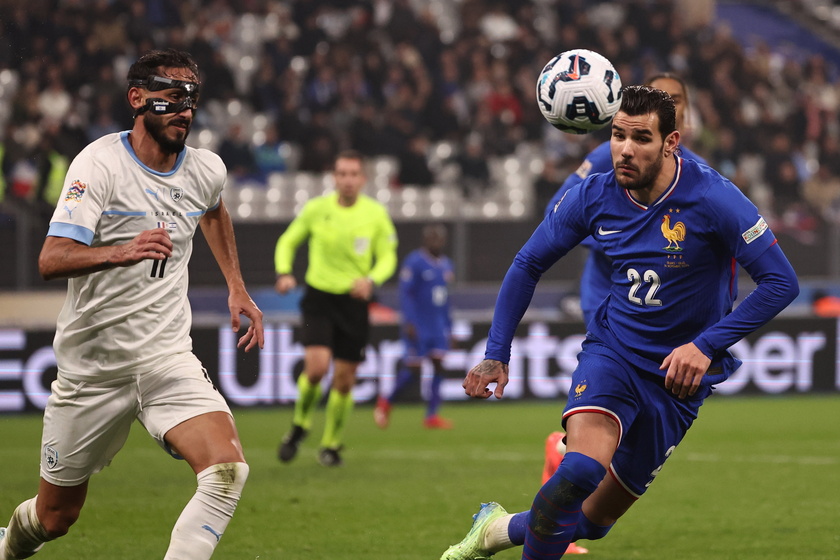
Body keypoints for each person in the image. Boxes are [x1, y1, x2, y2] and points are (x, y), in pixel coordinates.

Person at [440, 85, 799, 560]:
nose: (625, 149)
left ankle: (496, 529)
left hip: (677, 381)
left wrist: (706, 345)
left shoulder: (714, 197)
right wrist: (495, 354)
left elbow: (781, 283)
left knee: (589, 522)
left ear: (671, 142)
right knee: (579, 472)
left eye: (642, 138)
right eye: (617, 135)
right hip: (613, 354)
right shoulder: (593, 194)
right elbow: (528, 263)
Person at [0, 49, 265, 560]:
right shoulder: (98, 166)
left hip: (166, 357)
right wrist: (124, 250)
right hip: (93, 369)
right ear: (137, 98)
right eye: (172, 96)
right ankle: (9, 547)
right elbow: (51, 259)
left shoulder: (205, 169)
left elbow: (213, 210)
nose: (185, 109)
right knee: (55, 518)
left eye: (192, 98)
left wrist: (236, 284)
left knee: (227, 471)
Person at [540, 73, 709, 499]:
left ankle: (563, 468)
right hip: (609, 296)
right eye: (660, 97)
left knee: (623, 438)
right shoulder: (605, 156)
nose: (670, 103)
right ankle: (563, 478)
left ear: (683, 115)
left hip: (660, 311)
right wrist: (620, 239)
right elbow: (555, 211)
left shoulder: (699, 176)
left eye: (676, 99)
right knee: (608, 407)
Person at [275, 149, 398, 467]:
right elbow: (288, 241)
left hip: (354, 303)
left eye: (353, 174)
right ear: (334, 177)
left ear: (362, 178)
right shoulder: (317, 209)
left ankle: (330, 444)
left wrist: (372, 280)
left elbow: (387, 256)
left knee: (344, 380)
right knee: (316, 368)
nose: (347, 180)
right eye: (341, 173)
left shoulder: (375, 214)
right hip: (319, 298)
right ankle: (299, 426)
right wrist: (284, 271)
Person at [374, 223, 455, 430]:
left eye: (439, 238)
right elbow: (405, 295)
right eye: (432, 238)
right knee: (413, 370)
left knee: (438, 365)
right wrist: (409, 321)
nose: (435, 242)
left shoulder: (446, 265)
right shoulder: (414, 262)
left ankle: (431, 415)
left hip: (437, 326)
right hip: (418, 324)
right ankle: (385, 402)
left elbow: (445, 300)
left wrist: (449, 327)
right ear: (425, 240)